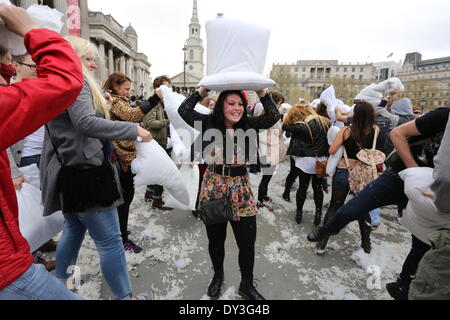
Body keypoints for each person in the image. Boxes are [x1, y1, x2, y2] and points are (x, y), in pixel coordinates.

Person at [39, 36, 153, 300]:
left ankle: (63, 282)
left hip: (69, 172)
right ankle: (125, 297)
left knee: (73, 230)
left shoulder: (57, 82)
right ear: (72, 57)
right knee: (111, 242)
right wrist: (132, 129)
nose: (93, 65)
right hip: (87, 174)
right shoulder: (75, 83)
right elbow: (85, 123)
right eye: (88, 59)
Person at [307, 106, 450, 300]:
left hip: (433, 194)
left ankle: (402, 284)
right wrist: (414, 171)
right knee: (356, 206)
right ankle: (329, 230)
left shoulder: (359, 130)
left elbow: (337, 149)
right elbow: (397, 134)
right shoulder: (443, 116)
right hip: (400, 176)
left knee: (422, 244)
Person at [0, 4, 84, 300]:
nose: (12, 61)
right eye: (7, 54)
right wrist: (33, 31)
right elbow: (66, 80)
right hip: (6, 270)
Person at [178, 87, 281, 300]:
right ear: (221, 105)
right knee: (216, 240)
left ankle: (246, 284)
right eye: (231, 103)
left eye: (240, 104)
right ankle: (218, 275)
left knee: (247, 241)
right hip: (214, 186)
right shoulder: (208, 123)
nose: (237, 108)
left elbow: (273, 116)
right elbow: (184, 109)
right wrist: (203, 90)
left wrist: (262, 93)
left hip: (241, 188)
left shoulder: (249, 124)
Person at [103, 72, 161, 253]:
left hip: (124, 155)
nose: (129, 92)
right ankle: (121, 239)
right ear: (115, 87)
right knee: (124, 198)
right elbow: (131, 116)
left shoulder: (117, 99)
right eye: (127, 89)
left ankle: (120, 231)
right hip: (120, 156)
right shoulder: (115, 101)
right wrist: (154, 99)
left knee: (125, 198)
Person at [316, 102, 385, 255]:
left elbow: (332, 150)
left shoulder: (346, 130)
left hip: (344, 170)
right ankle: (366, 246)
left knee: (335, 206)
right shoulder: (376, 130)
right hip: (365, 173)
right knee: (363, 208)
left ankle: (322, 243)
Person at [282, 102, 330, 226]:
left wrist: (290, 116)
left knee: (303, 186)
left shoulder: (301, 126)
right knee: (317, 187)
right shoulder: (326, 121)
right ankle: (318, 213)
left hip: (306, 161)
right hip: (321, 159)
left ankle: (299, 213)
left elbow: (285, 126)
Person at [142, 76, 174, 211]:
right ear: (158, 89)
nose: (169, 89)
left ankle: (149, 192)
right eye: (166, 87)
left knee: (155, 171)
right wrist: (168, 121)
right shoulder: (153, 103)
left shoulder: (163, 103)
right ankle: (157, 200)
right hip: (156, 143)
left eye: (170, 87)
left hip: (163, 142)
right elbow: (150, 122)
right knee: (163, 173)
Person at [255, 91, 286, 211]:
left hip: (270, 148)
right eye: (279, 103)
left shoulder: (270, 113)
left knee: (267, 176)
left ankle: (264, 195)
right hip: (268, 149)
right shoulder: (268, 114)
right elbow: (272, 131)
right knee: (266, 176)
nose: (280, 106)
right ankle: (259, 201)